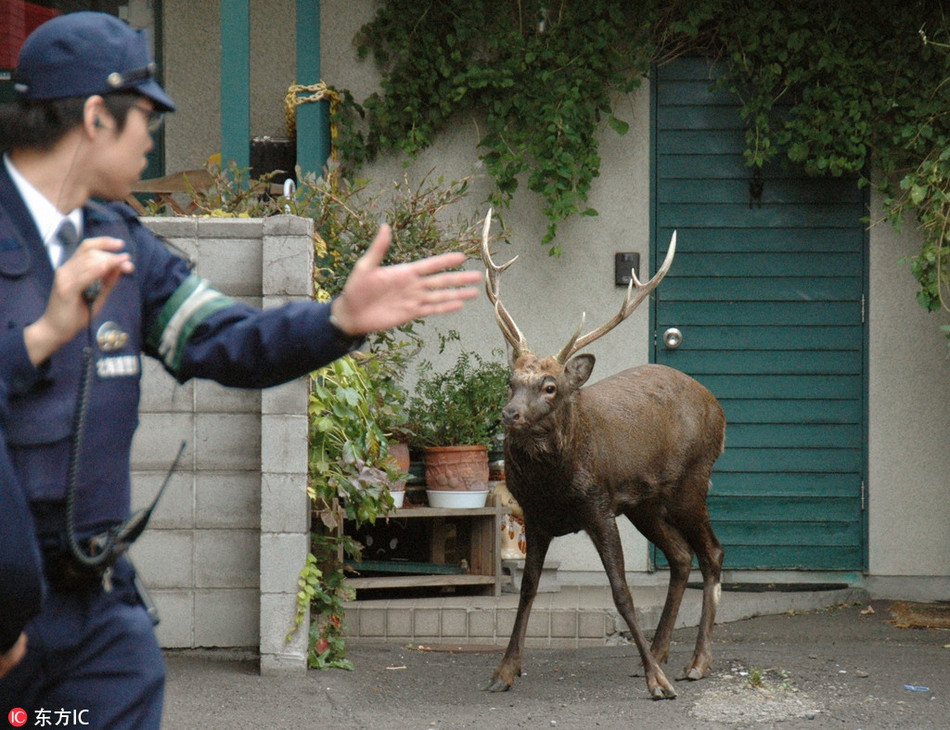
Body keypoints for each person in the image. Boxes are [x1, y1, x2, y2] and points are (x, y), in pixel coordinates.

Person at [0, 11, 482, 728]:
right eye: (146, 115)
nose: (153, 135)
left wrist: (336, 320)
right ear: (97, 117)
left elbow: (226, 339)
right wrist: (38, 337)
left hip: (93, 611)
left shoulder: (121, 243)